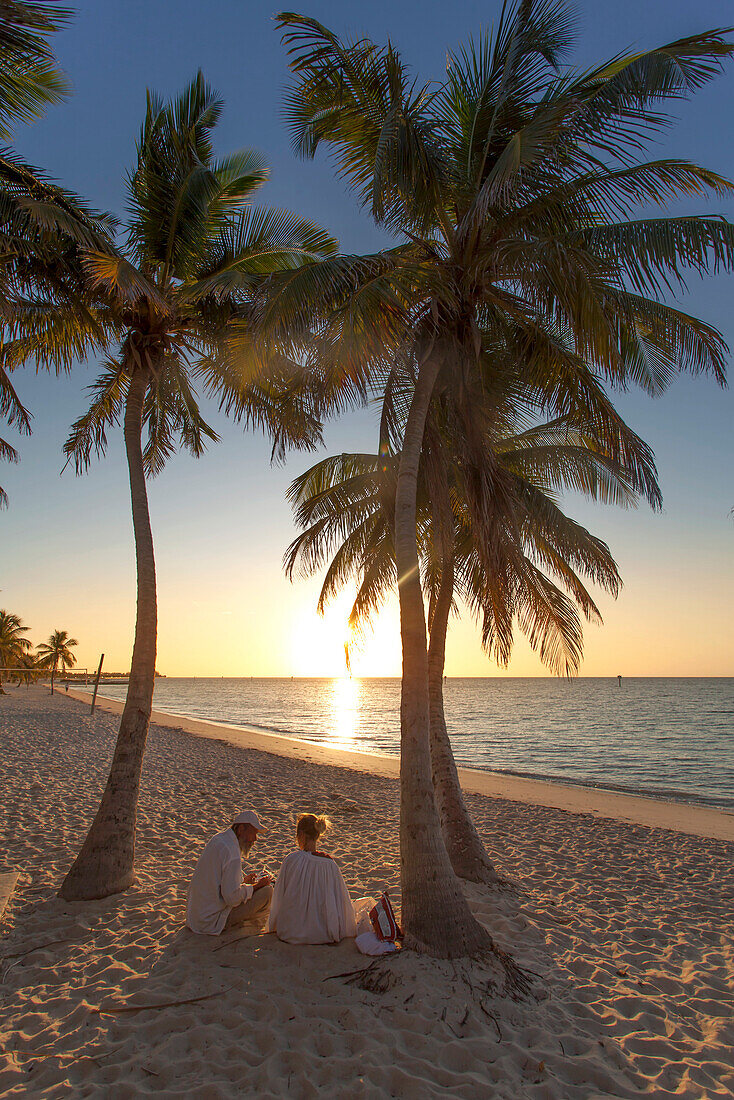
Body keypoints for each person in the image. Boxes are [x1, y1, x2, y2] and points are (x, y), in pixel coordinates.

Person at [268, 814, 357, 945]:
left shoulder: (291, 859)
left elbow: (279, 897)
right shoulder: (329, 864)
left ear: (301, 835)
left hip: (289, 932)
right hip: (322, 935)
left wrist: (274, 926)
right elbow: (340, 901)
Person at [186, 809, 273, 935]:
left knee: (257, 890)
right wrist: (257, 886)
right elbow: (232, 898)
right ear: (241, 829)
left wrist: (244, 882)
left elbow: (220, 884)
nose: (255, 839)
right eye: (253, 833)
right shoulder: (232, 851)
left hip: (195, 917)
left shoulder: (218, 839)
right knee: (267, 892)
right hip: (210, 921)